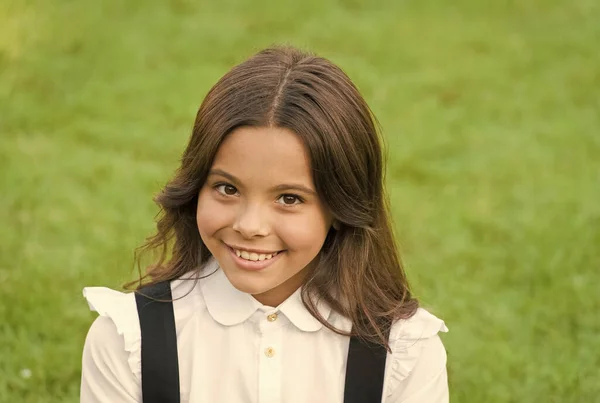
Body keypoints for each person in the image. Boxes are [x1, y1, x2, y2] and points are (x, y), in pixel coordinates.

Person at [80, 45, 449, 403]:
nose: (250, 225)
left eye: (289, 198)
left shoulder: (404, 351)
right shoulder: (129, 340)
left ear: (340, 207)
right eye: (227, 188)